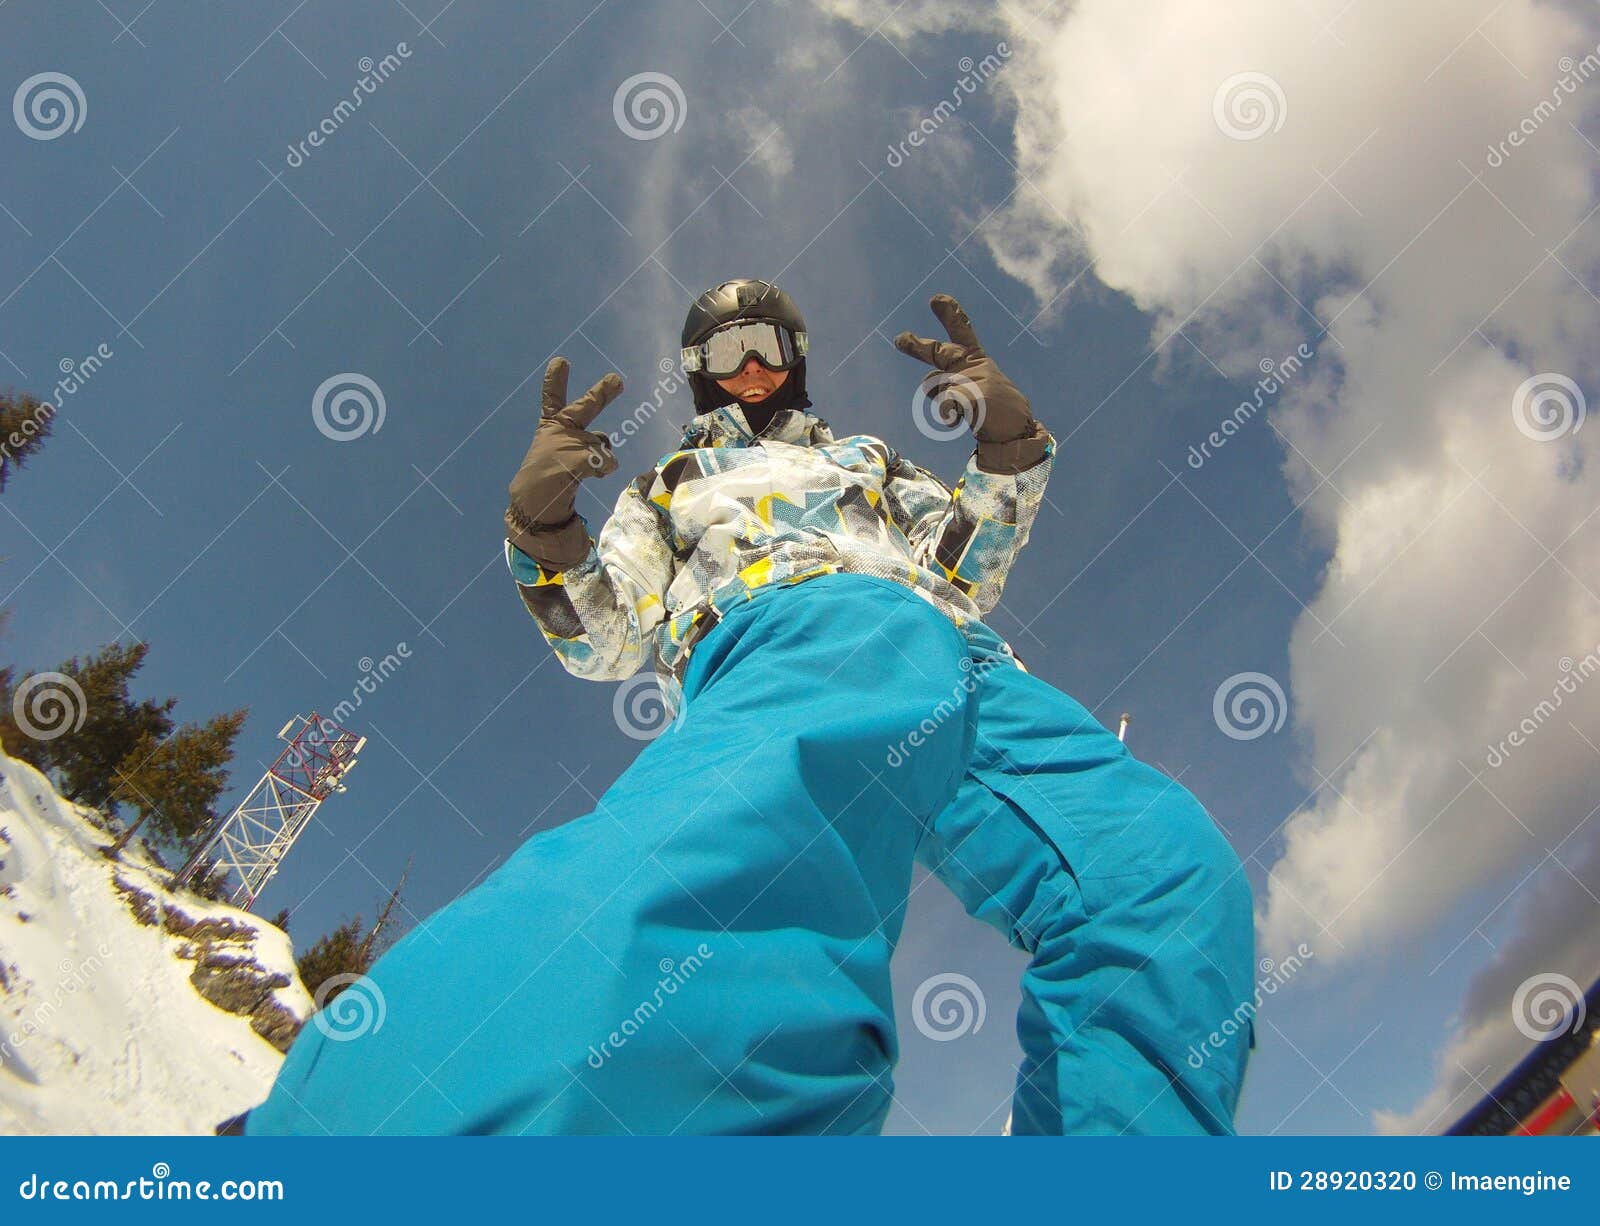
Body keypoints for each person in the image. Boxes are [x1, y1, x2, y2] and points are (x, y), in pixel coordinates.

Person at [245, 280, 1255, 1136]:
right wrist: (544, 529)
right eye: (723, 350)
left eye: (766, 344)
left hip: (966, 664)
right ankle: (398, 1130)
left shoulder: (864, 459)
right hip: (792, 638)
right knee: (717, 909)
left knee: (1161, 872)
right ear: (696, 372)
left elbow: (966, 562)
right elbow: (606, 636)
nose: (749, 365)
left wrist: (1004, 446)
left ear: (796, 358)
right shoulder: (674, 484)